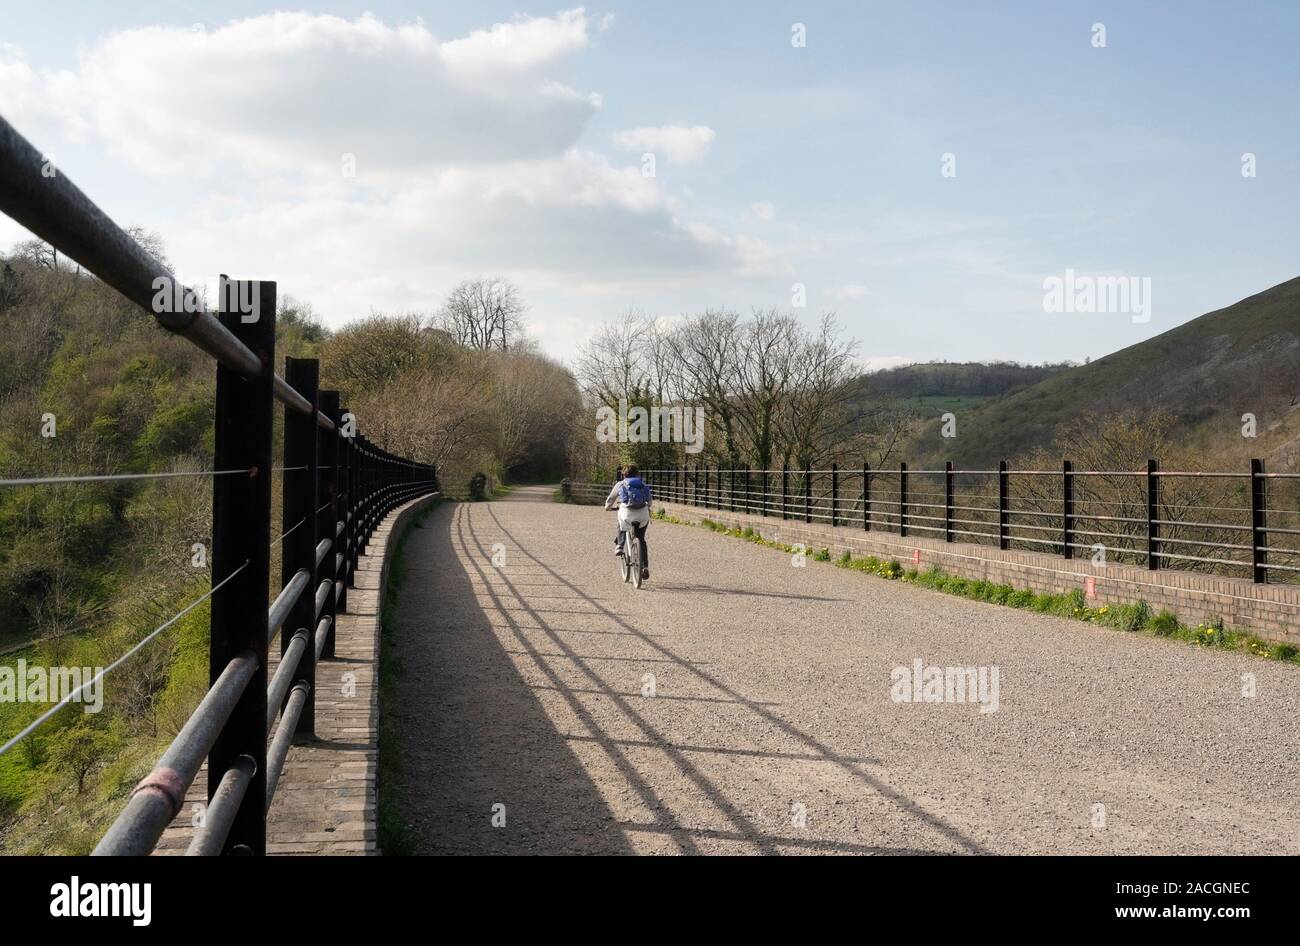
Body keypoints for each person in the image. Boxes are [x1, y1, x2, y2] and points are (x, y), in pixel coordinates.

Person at [604, 463, 651, 579]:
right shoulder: (642, 485)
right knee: (641, 539)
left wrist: (608, 507)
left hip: (627, 515)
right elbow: (649, 502)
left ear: (623, 474)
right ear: (637, 474)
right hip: (642, 515)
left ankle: (620, 545)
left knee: (621, 521)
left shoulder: (620, 484)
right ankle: (645, 567)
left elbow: (610, 499)